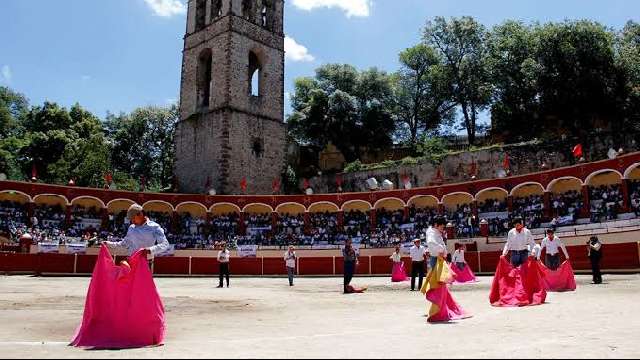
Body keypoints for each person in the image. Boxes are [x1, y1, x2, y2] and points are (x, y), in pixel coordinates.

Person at [104, 204, 170, 260]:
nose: (132, 221)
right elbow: (124, 244)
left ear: (140, 214)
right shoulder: (131, 228)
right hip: (131, 260)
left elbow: (165, 244)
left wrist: (150, 250)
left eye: (133, 218)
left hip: (145, 262)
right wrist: (108, 244)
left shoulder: (154, 227)